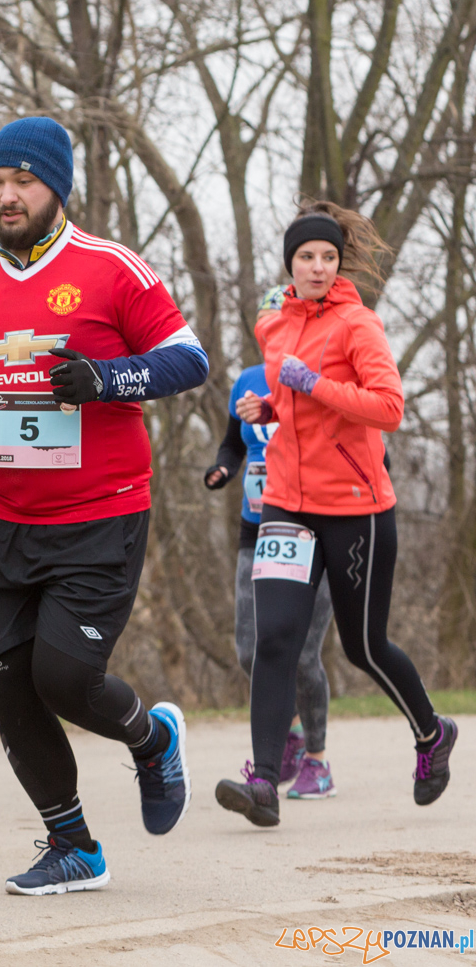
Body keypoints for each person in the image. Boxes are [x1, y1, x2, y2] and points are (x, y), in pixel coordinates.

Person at [0, 116, 204, 895]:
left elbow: (189, 358)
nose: (7, 197)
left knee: (65, 677)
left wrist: (107, 380)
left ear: (56, 188)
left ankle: (152, 738)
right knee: (10, 684)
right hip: (3, 517)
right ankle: (72, 844)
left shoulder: (111, 269)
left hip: (99, 513)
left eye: (23, 182)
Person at [214, 204, 456, 827]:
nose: (318, 267)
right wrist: (266, 408)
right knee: (274, 643)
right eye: (306, 257)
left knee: (363, 647)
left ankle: (432, 735)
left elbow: (388, 406)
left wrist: (314, 384)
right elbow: (294, 402)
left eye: (327, 257)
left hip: (355, 509)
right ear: (290, 265)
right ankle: (264, 782)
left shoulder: (359, 325)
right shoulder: (276, 325)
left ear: (337, 262)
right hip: (286, 508)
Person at [204, 287, 337, 800]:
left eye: (280, 323)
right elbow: (234, 442)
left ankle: (318, 761)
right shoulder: (250, 380)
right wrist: (223, 467)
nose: (273, 333)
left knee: (302, 653)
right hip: (256, 529)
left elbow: (366, 449)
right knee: (249, 649)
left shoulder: (319, 378)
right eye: (265, 325)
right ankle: (291, 737)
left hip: (314, 528)